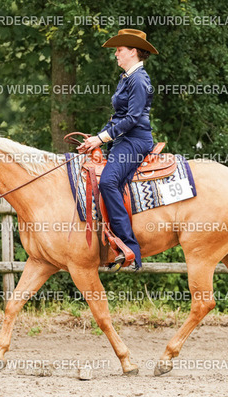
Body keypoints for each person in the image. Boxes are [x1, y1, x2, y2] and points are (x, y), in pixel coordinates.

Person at [77, 29, 159, 271]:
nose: (116, 54)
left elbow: (132, 118)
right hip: (124, 141)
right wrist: (95, 139)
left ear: (133, 52)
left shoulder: (139, 80)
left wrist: (101, 138)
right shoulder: (127, 78)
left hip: (135, 141)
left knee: (108, 182)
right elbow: (118, 117)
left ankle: (129, 250)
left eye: (119, 50)